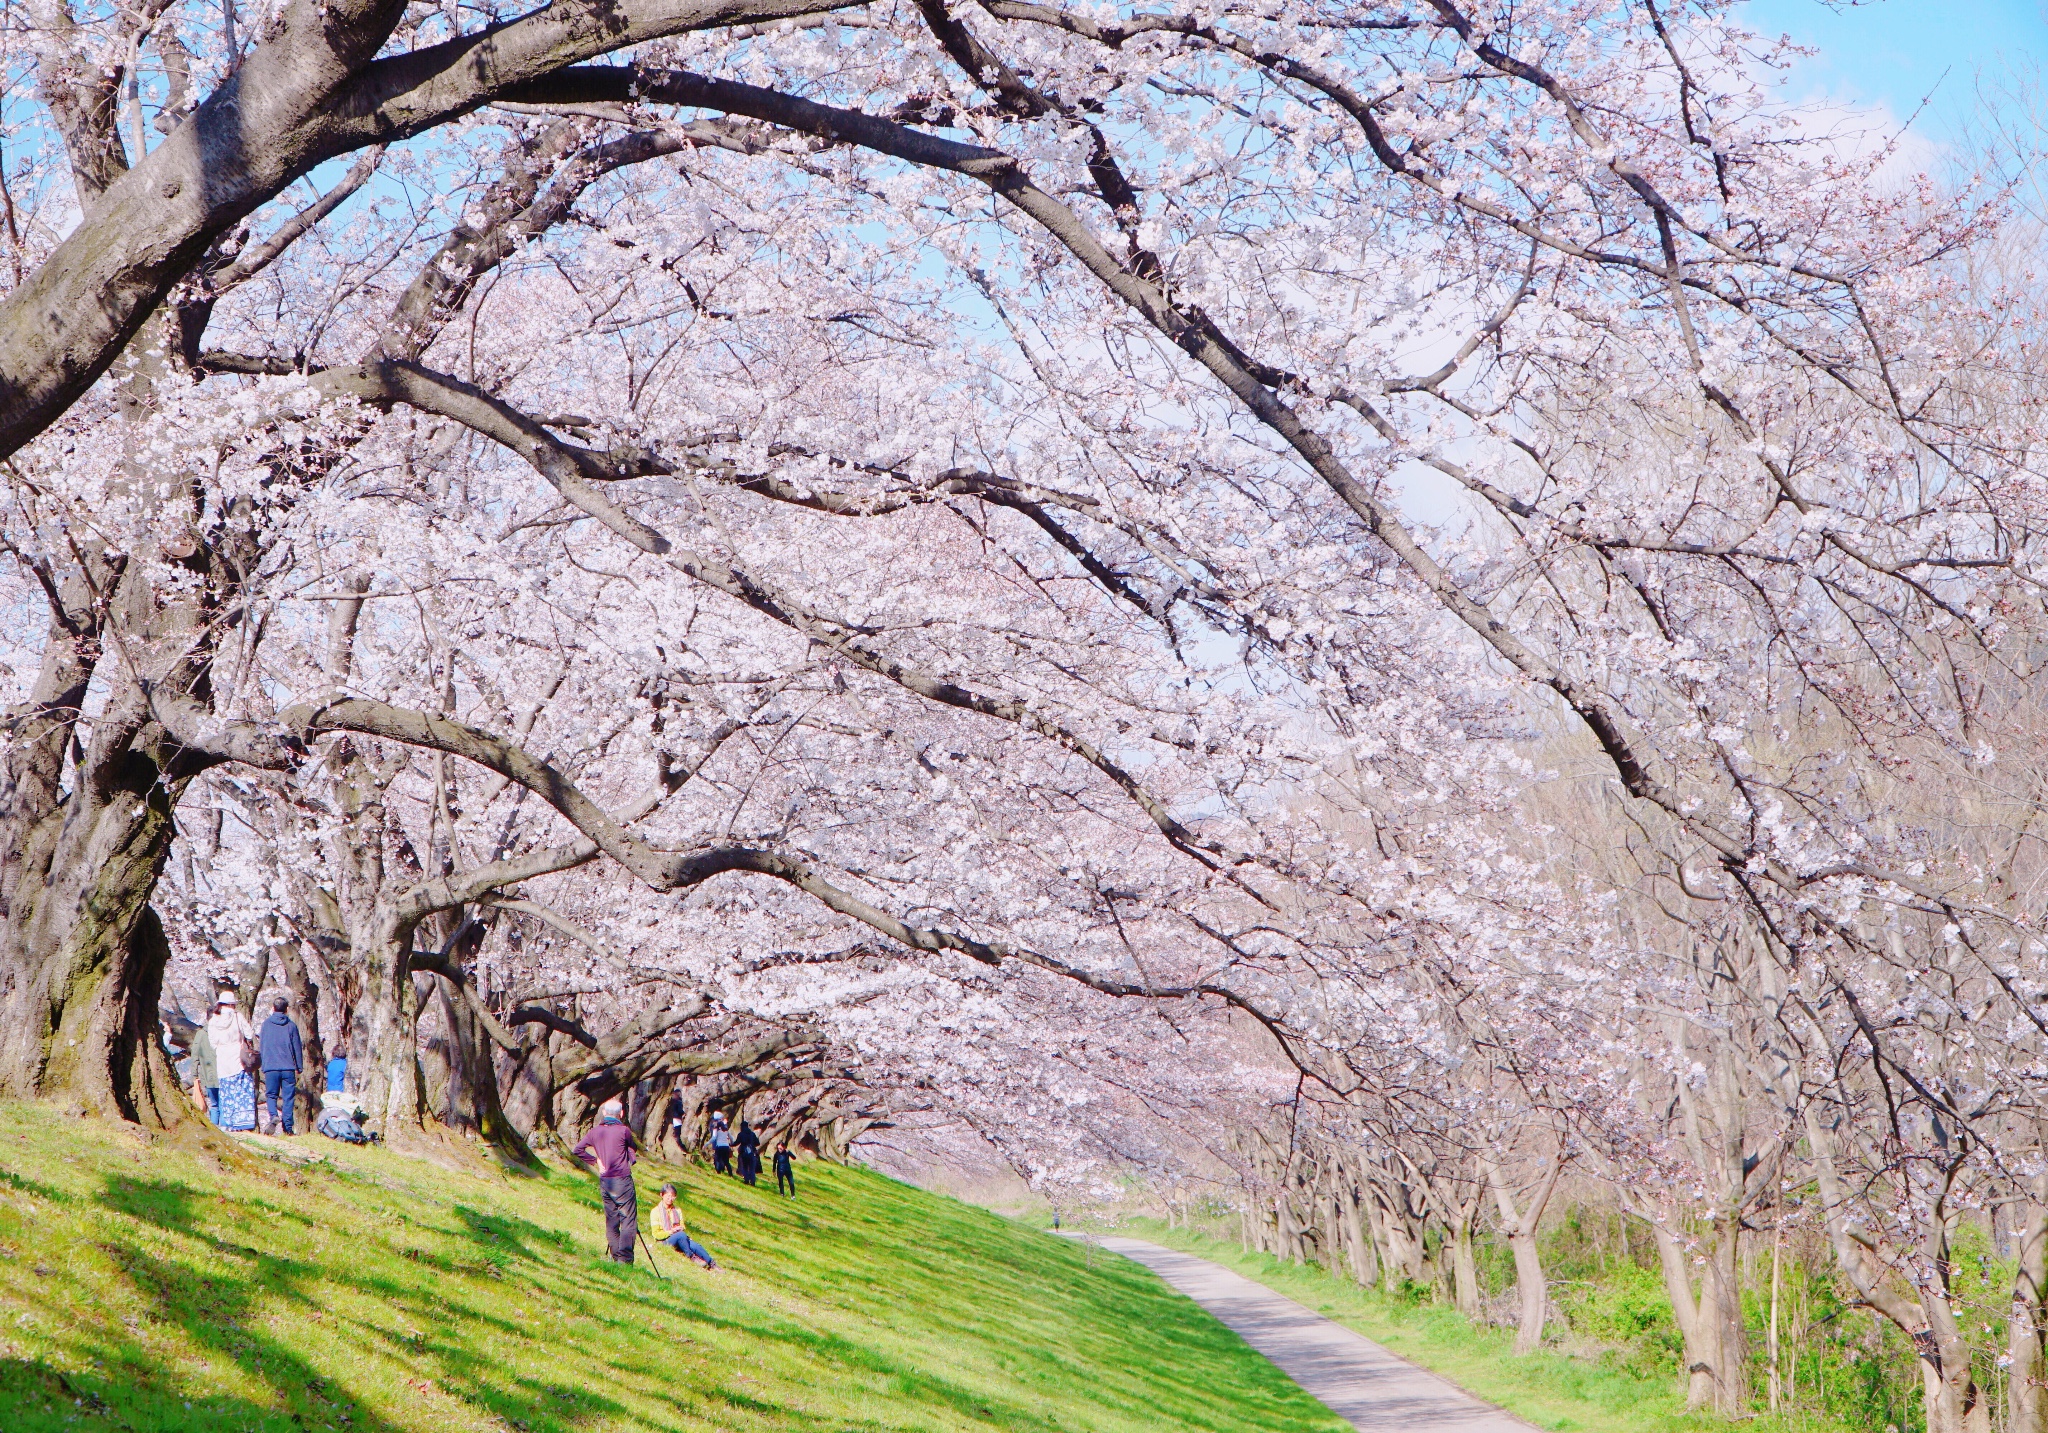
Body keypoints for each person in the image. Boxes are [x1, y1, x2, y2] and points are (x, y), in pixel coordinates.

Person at [572, 1098, 642, 1263]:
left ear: (604, 1113)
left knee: (612, 1220)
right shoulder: (624, 1131)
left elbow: (577, 1150)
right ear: (622, 1113)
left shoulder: (594, 1132)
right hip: (623, 1180)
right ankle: (624, 1261)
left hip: (605, 1181)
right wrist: (631, 1158)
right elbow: (633, 1147)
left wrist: (595, 1161)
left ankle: (615, 1255)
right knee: (628, 1220)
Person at [207, 994, 258, 1132]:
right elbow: (249, 1033)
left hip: (223, 1060)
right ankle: (244, 1122)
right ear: (231, 1004)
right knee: (242, 1090)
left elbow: (212, 1043)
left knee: (227, 1092)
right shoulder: (237, 1016)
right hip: (238, 1058)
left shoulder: (213, 1021)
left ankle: (229, 1122)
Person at [258, 995, 304, 1136]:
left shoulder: (266, 1024)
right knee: (288, 1097)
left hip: (271, 1066)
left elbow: (262, 1046)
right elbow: (297, 1047)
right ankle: (288, 1127)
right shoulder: (291, 1026)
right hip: (288, 1067)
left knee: (271, 1095)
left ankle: (273, 1116)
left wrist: (264, 1064)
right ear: (287, 1009)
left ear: (273, 1008)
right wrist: (299, 1067)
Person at [649, 1184, 718, 1270]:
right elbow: (656, 1234)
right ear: (662, 1195)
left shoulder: (677, 1210)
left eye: (673, 1197)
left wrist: (680, 1228)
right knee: (681, 1235)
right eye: (668, 1196)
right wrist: (671, 1231)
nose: (670, 1199)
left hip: (680, 1237)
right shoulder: (655, 1212)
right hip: (665, 1240)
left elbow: (682, 1226)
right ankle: (691, 1256)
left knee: (694, 1245)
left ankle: (712, 1263)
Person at [189, 1021, 220, 1125]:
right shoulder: (222, 1031)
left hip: (208, 1075)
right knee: (224, 1103)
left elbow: (195, 1056)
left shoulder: (201, 1034)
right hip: (225, 1074)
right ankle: (225, 1127)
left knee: (214, 1104)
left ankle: (215, 1128)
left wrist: (194, 1075)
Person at [735, 1120, 761, 1186]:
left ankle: (746, 1180)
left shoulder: (741, 1134)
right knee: (752, 1168)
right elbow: (758, 1143)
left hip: (743, 1152)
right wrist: (751, 1145)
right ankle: (753, 1182)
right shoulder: (752, 1134)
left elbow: (737, 1142)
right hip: (752, 1153)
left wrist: (731, 1144)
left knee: (745, 1166)